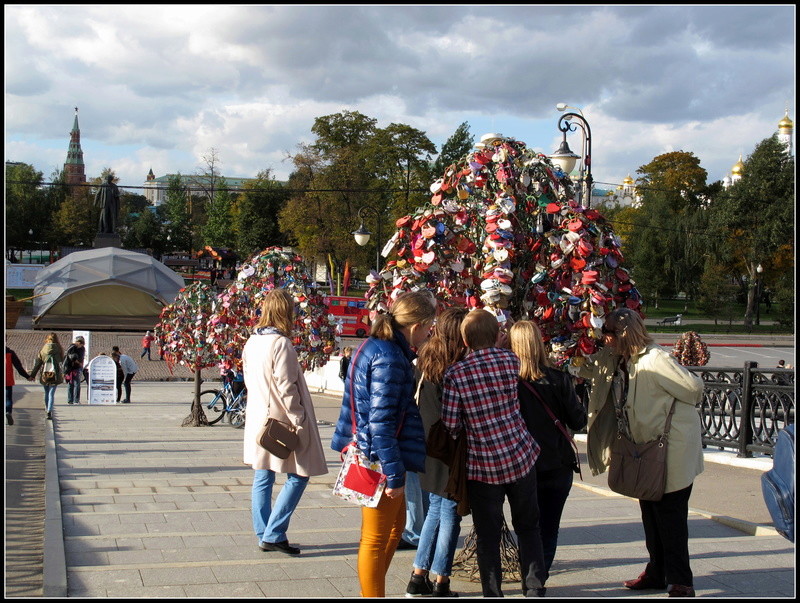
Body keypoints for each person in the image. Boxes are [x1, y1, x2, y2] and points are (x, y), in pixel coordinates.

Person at [576, 308, 705, 598]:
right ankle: (657, 572)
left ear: (622, 334)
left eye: (606, 334)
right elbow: (587, 368)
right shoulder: (617, 359)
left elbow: (694, 389)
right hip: (644, 448)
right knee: (651, 513)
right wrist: (570, 353)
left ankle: (681, 581)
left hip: (672, 449)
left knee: (670, 517)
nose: (602, 340)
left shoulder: (656, 359)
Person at [331, 289, 436, 597]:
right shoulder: (390, 357)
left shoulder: (378, 347)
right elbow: (381, 422)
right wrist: (394, 473)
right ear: (416, 326)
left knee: (393, 529)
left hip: (372, 451)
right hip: (377, 456)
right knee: (376, 538)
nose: (431, 332)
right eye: (429, 326)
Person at [442, 309, 547, 597]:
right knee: (528, 525)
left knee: (488, 534)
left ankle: (493, 591)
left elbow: (451, 424)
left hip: (483, 464)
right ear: (498, 335)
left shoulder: (456, 373)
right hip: (519, 454)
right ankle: (535, 586)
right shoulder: (511, 361)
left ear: (464, 338)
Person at [243, 288, 328, 556]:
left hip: (258, 416)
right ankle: (274, 533)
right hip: (282, 419)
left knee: (262, 475)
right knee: (300, 473)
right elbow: (286, 386)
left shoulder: (252, 341)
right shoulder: (280, 344)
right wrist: (298, 418)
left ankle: (264, 532)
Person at [510, 320, 587, 577]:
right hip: (556, 463)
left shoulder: (508, 383)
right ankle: (538, 577)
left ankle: (529, 575)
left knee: (525, 525)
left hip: (521, 464)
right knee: (550, 526)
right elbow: (578, 420)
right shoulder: (559, 379)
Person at [405, 306, 469, 598]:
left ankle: (418, 576)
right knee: (451, 515)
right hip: (450, 450)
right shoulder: (456, 367)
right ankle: (441, 579)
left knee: (434, 512)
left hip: (427, 447)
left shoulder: (425, 360)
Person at [29, 333, 65, 420]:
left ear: (47, 339)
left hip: (45, 374)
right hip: (55, 374)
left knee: (46, 392)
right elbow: (62, 362)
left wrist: (32, 375)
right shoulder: (59, 349)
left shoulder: (43, 350)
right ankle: (49, 410)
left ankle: (46, 408)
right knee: (51, 393)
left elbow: (38, 364)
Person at [6, 345, 34, 425]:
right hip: (7, 379)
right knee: (8, 398)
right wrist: (27, 377)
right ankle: (8, 412)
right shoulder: (10, 353)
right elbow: (19, 368)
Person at [63, 335, 86, 405]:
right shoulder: (72, 347)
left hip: (76, 367)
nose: (81, 345)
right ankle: (72, 400)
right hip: (71, 367)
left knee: (75, 383)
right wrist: (79, 363)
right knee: (72, 383)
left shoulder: (82, 348)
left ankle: (74, 400)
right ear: (79, 342)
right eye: (81, 344)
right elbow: (72, 357)